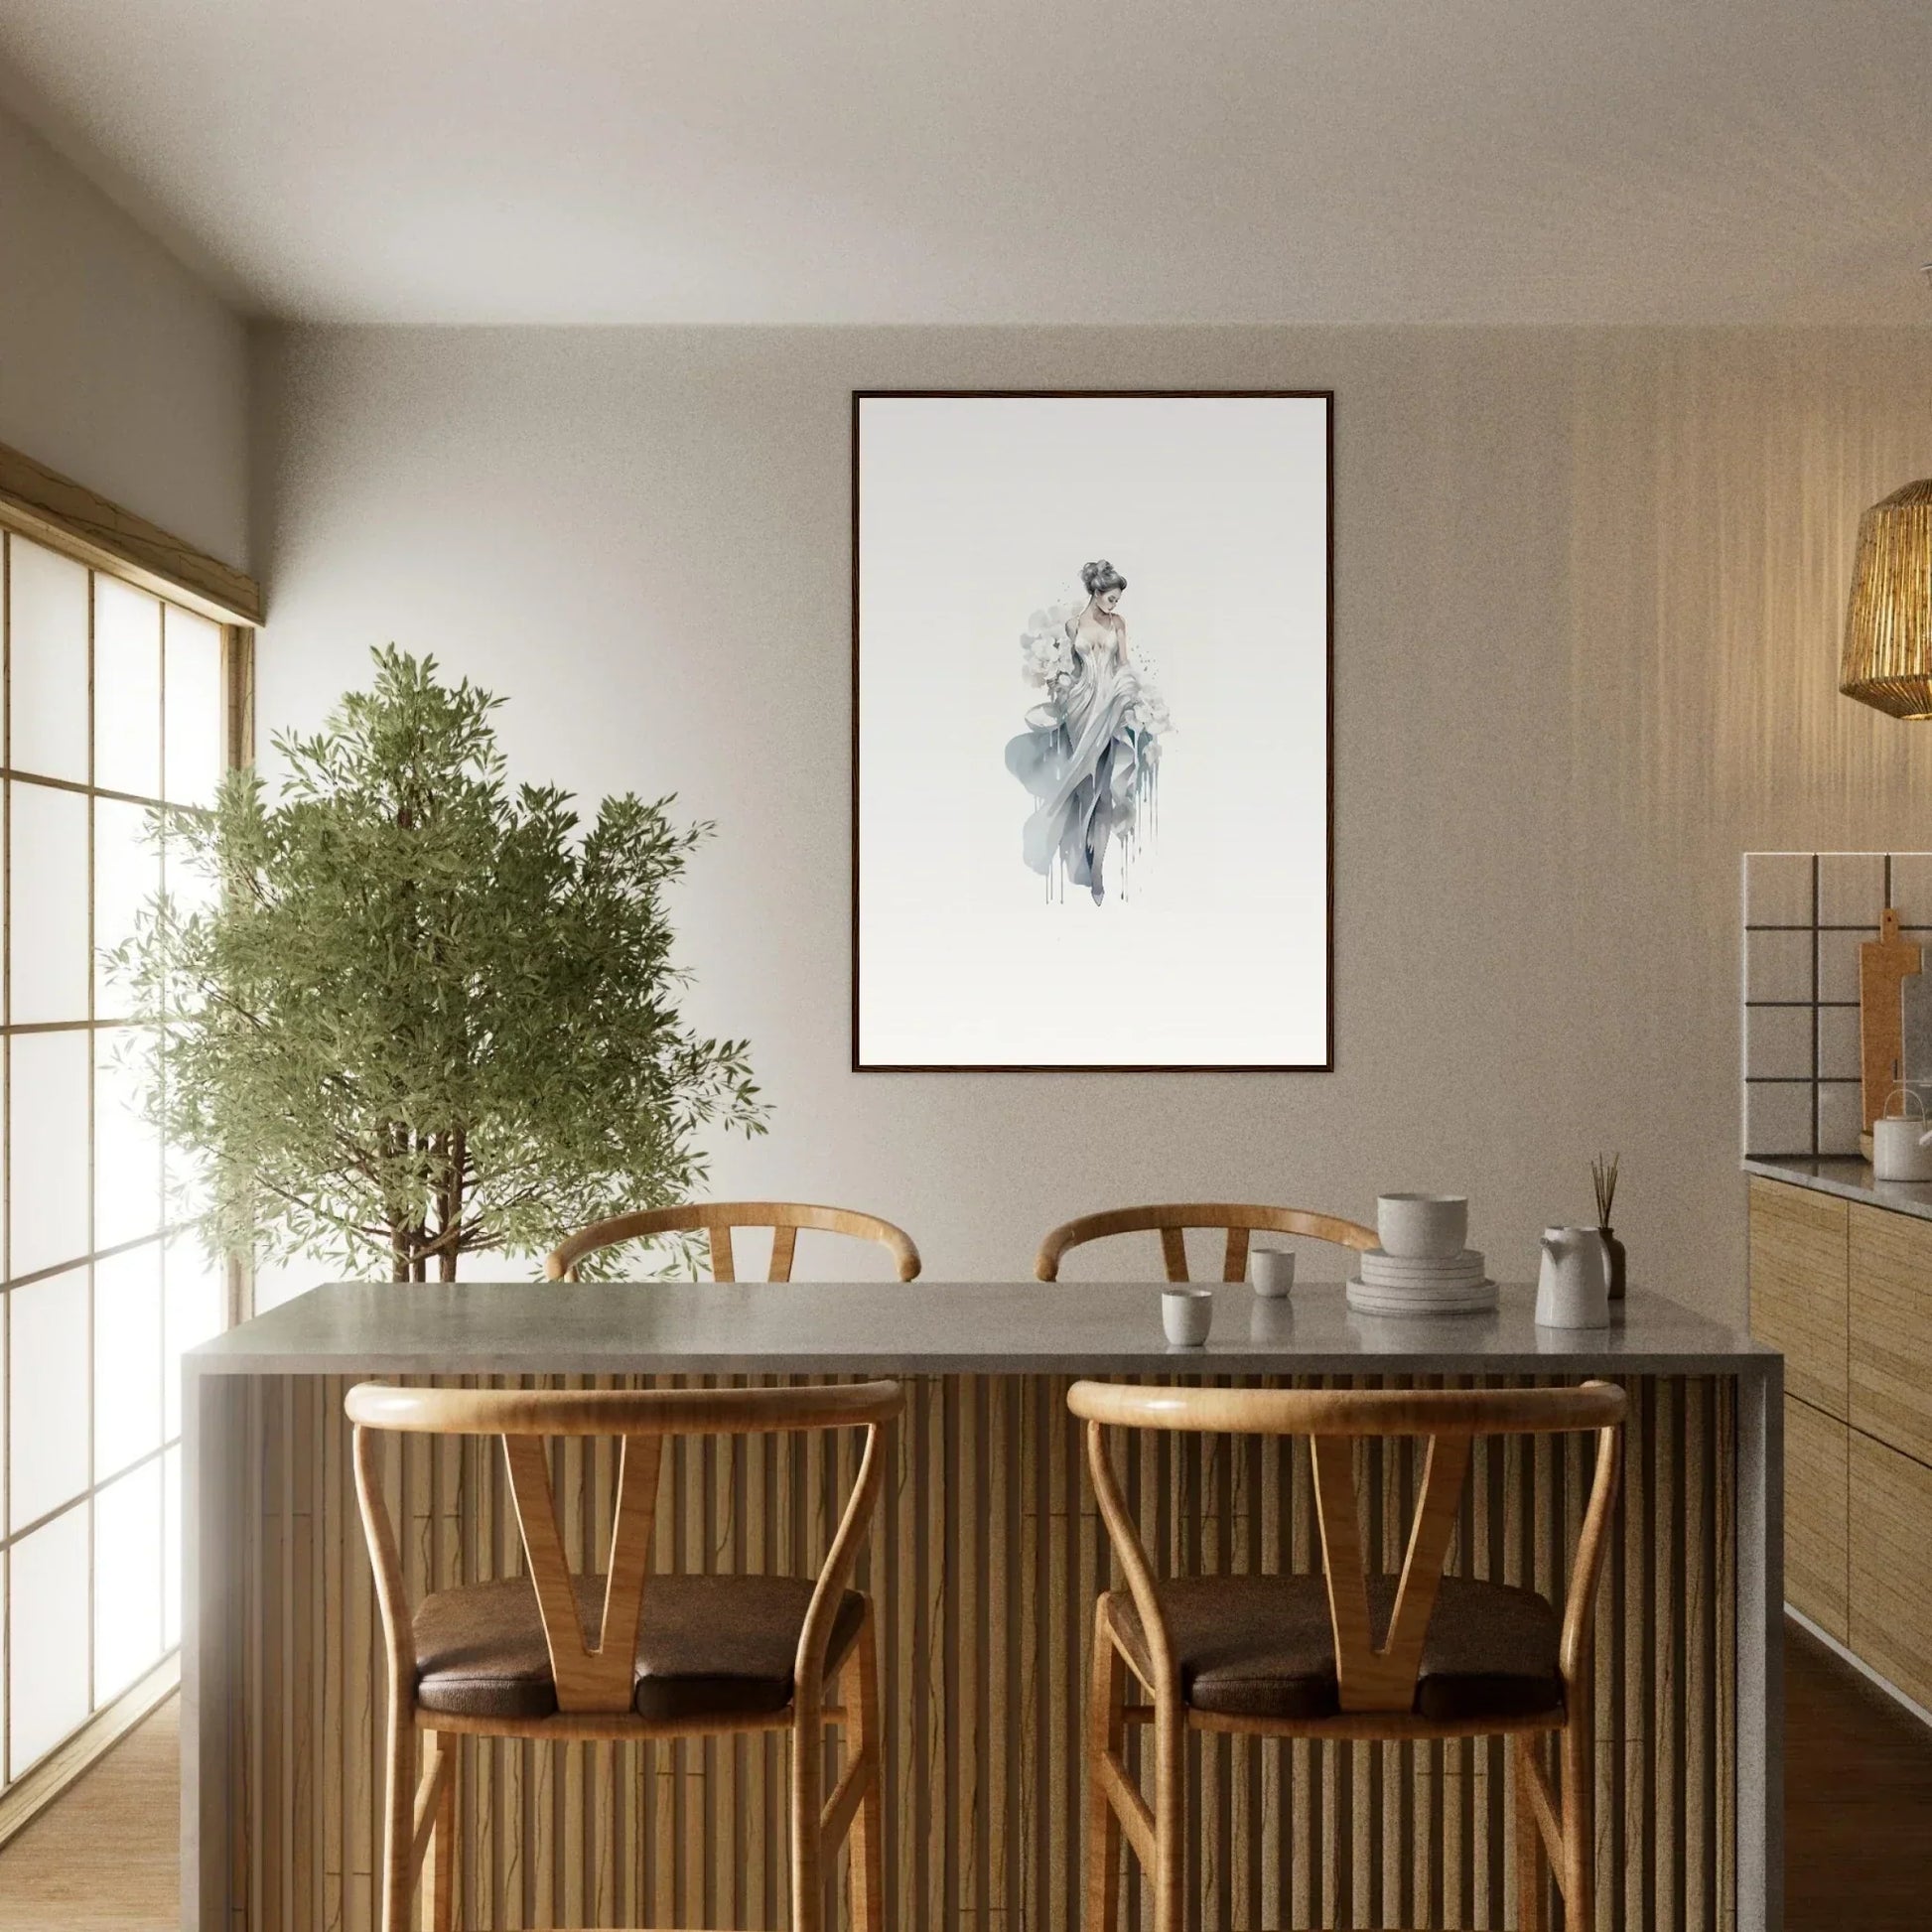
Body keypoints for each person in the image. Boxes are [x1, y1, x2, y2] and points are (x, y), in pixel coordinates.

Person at [1005, 560, 1172, 903]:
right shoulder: (1072, 626)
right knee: (1083, 789)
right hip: (1080, 708)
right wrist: (1061, 686)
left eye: (1117, 600)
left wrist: (1132, 697)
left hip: (1110, 705)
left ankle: (1097, 871)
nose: (1114, 605)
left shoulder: (1118, 623)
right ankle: (1082, 857)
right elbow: (1068, 669)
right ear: (1096, 593)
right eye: (1110, 598)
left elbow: (1123, 665)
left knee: (1106, 790)